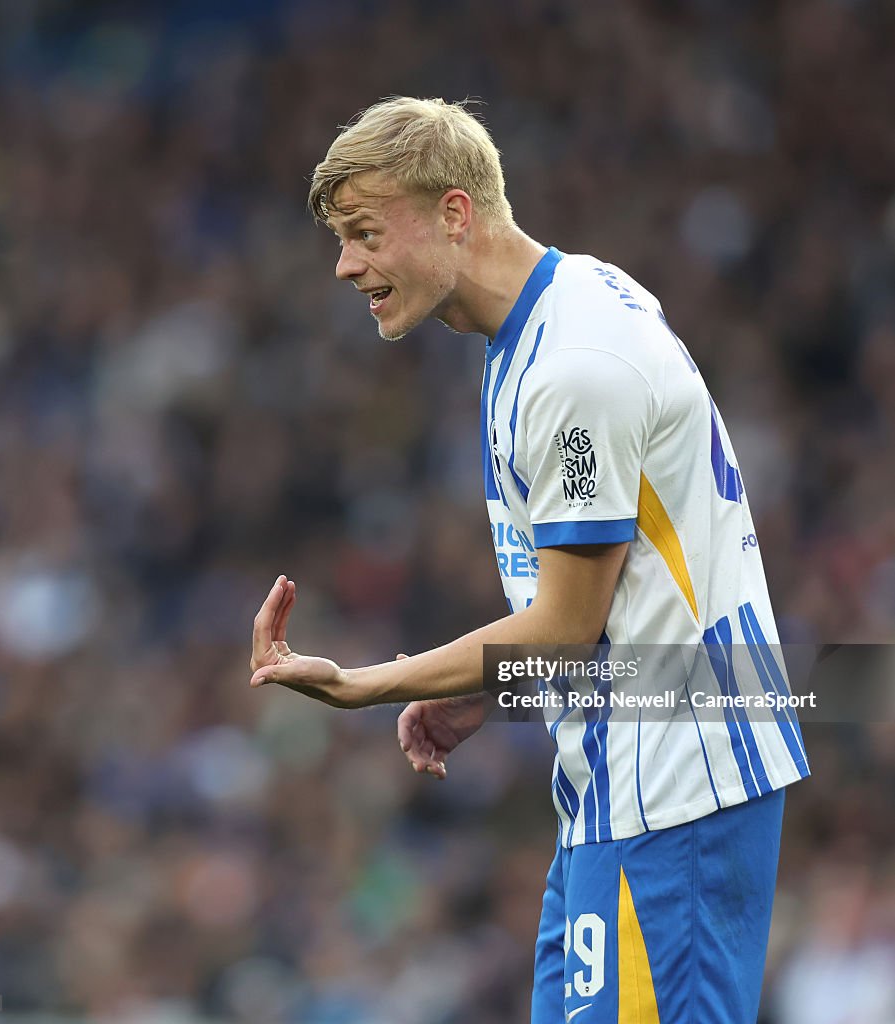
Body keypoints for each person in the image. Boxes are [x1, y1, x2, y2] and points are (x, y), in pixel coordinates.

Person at [249, 97, 810, 1024]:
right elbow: (601, 597)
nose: (345, 264)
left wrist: (364, 683)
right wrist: (490, 683)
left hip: (675, 795)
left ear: (454, 213)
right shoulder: (555, 308)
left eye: (363, 233)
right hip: (618, 792)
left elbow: (566, 623)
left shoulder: (572, 364)